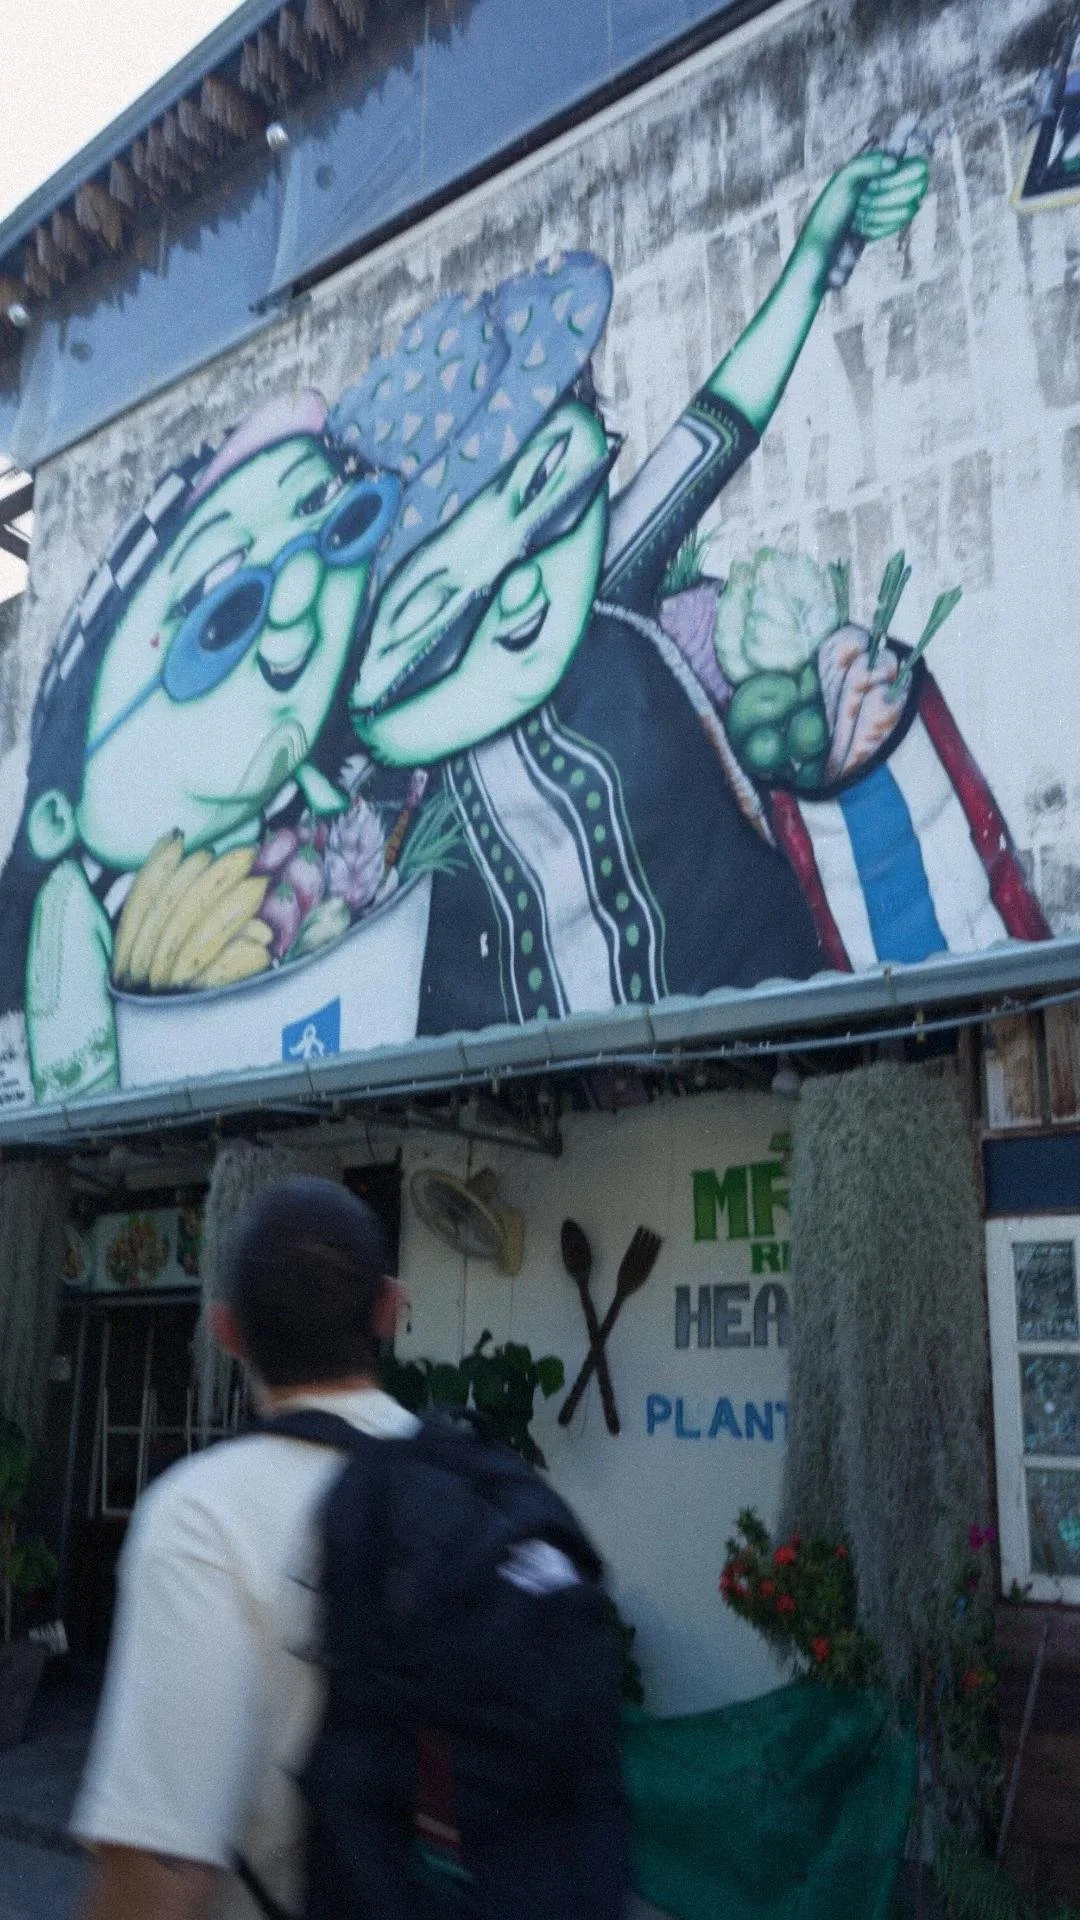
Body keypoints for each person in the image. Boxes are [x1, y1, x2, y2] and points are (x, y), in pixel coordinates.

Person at [72, 1176, 414, 1919]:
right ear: (390, 1309)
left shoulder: (203, 1515)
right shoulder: (483, 1488)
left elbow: (159, 1866)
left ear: (224, 1330)